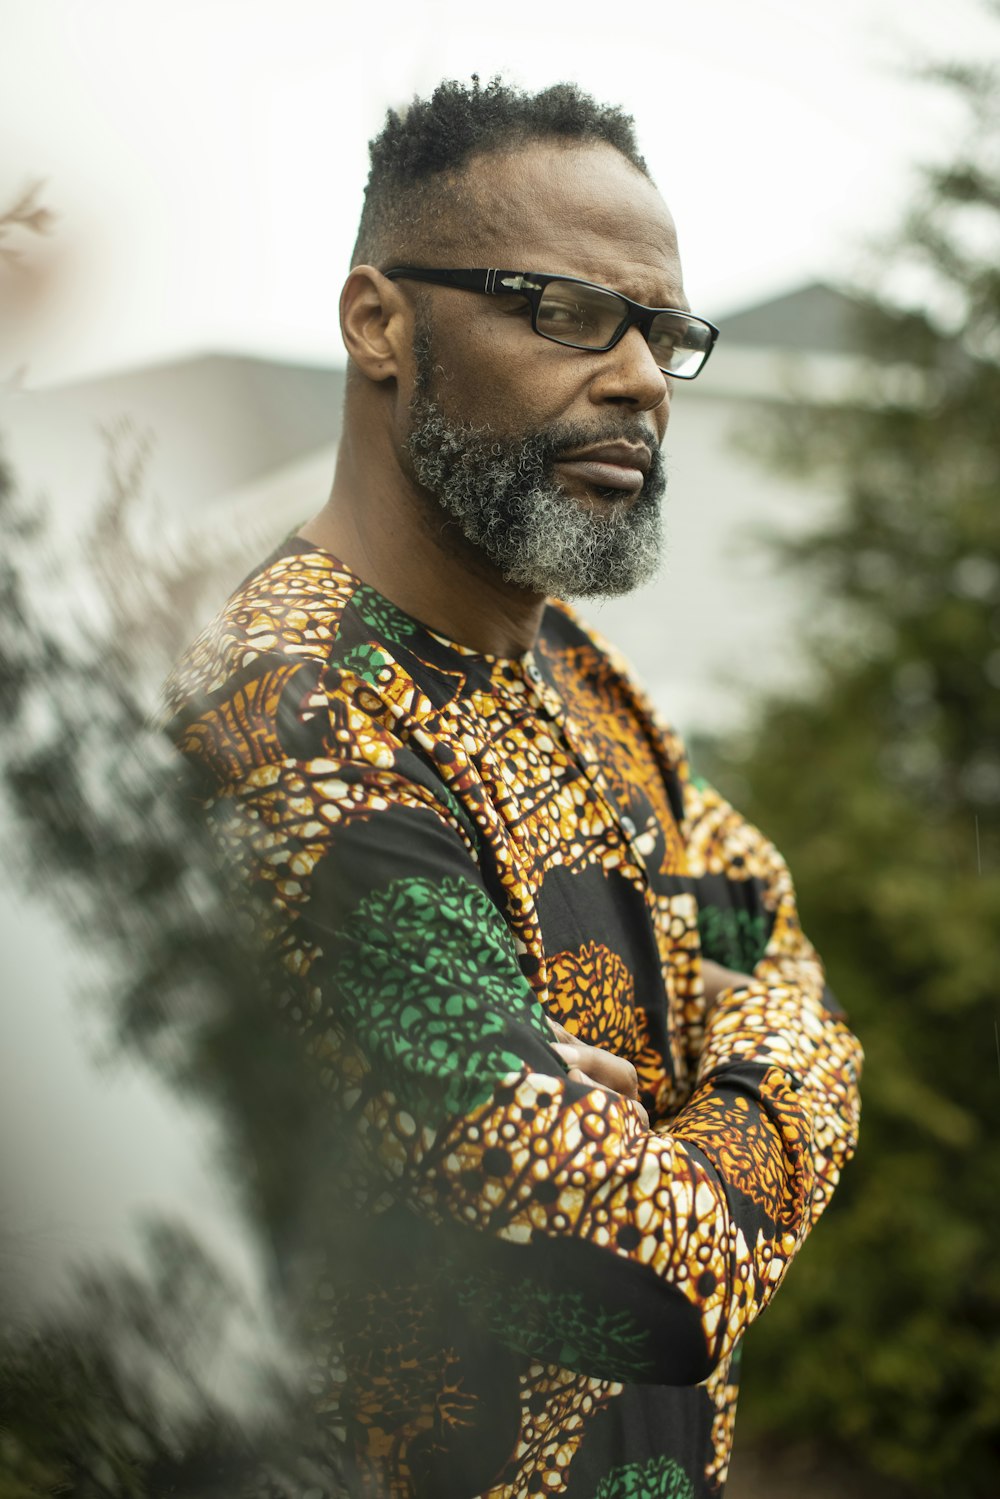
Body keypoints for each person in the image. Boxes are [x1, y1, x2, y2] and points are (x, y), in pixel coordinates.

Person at [164, 77, 862, 1499]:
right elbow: (626, 1279)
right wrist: (796, 1064)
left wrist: (769, 1047)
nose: (643, 378)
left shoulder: (578, 672)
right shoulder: (292, 719)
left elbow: (769, 934)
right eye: (566, 313)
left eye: (664, 331)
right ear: (380, 324)